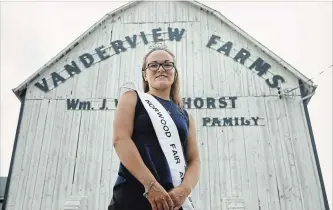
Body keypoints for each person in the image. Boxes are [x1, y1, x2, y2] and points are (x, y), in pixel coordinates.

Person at [108, 47, 201, 210]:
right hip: (133, 196)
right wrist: (150, 186)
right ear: (145, 74)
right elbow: (120, 139)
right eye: (153, 65)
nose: (161, 69)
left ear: (174, 72)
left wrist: (184, 189)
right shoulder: (132, 98)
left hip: (173, 202)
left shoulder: (185, 116)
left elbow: (194, 160)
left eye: (167, 65)